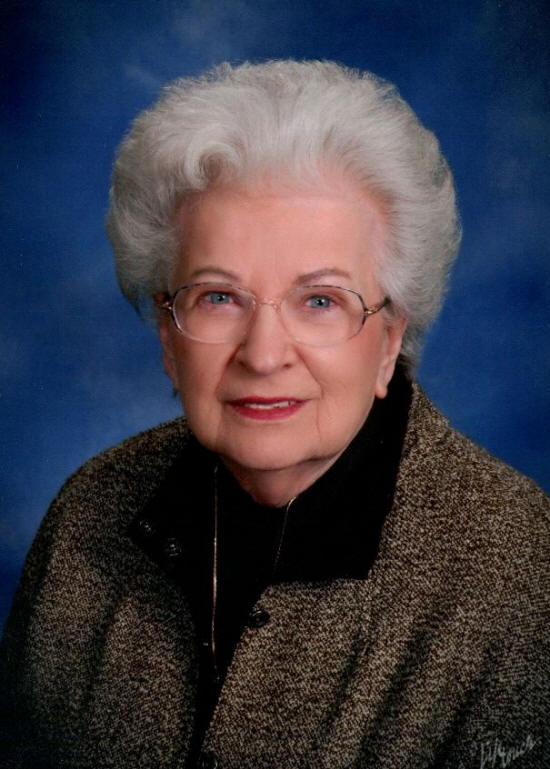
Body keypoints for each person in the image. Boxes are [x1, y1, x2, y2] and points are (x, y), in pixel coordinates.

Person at [1, 60, 548, 769]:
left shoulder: (519, 574)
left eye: (320, 300)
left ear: (389, 338)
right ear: (167, 334)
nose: (263, 355)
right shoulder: (88, 515)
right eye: (218, 297)